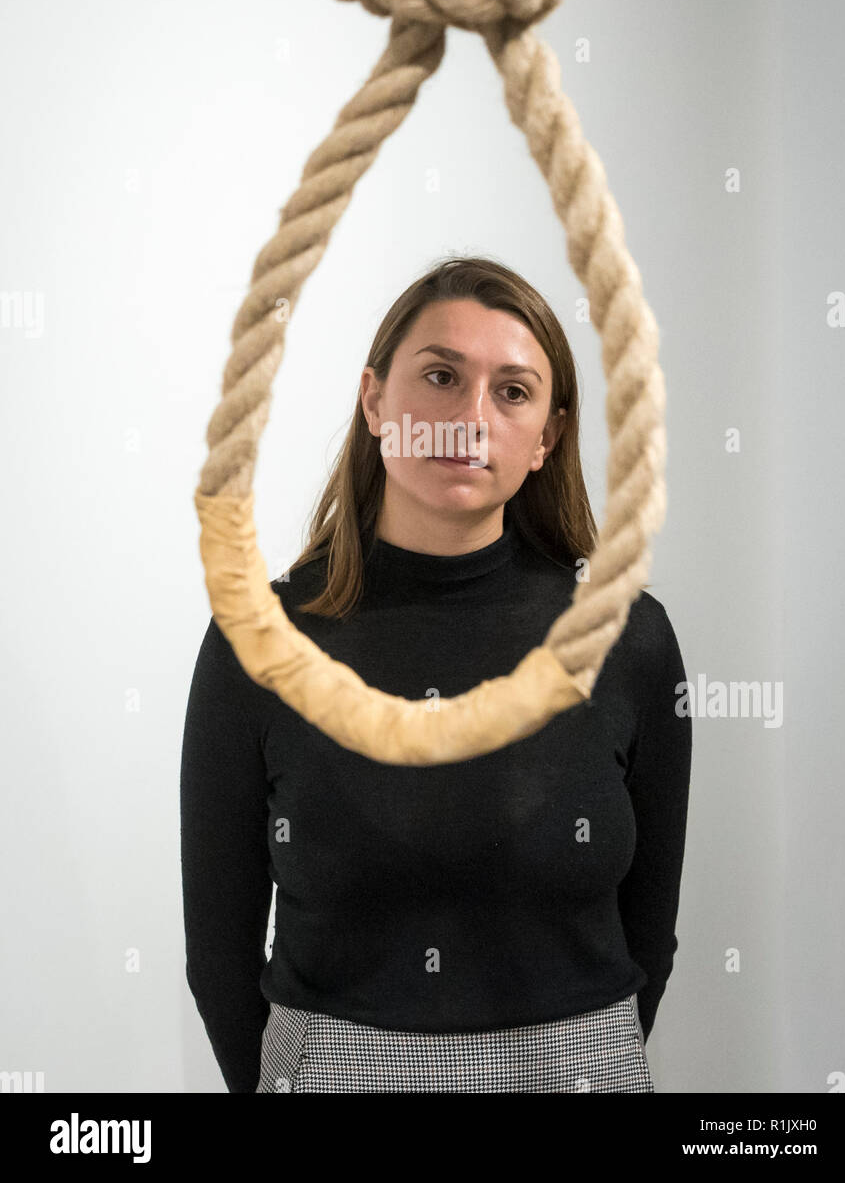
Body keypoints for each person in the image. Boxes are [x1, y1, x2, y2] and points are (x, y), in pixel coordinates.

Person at [180, 255, 692, 1093]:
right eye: (442, 376)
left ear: (547, 439)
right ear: (376, 399)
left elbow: (649, 939)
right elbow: (219, 959)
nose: (470, 416)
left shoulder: (626, 640)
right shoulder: (258, 641)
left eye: (513, 391)